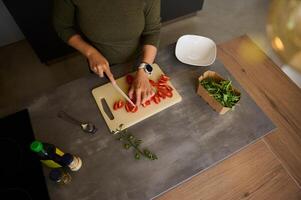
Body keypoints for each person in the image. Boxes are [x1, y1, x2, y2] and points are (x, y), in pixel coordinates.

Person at [53, 0, 161, 106]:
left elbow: (152, 31)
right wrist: (91, 53)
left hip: (143, 60)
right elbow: (63, 27)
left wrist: (144, 69)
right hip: (100, 67)